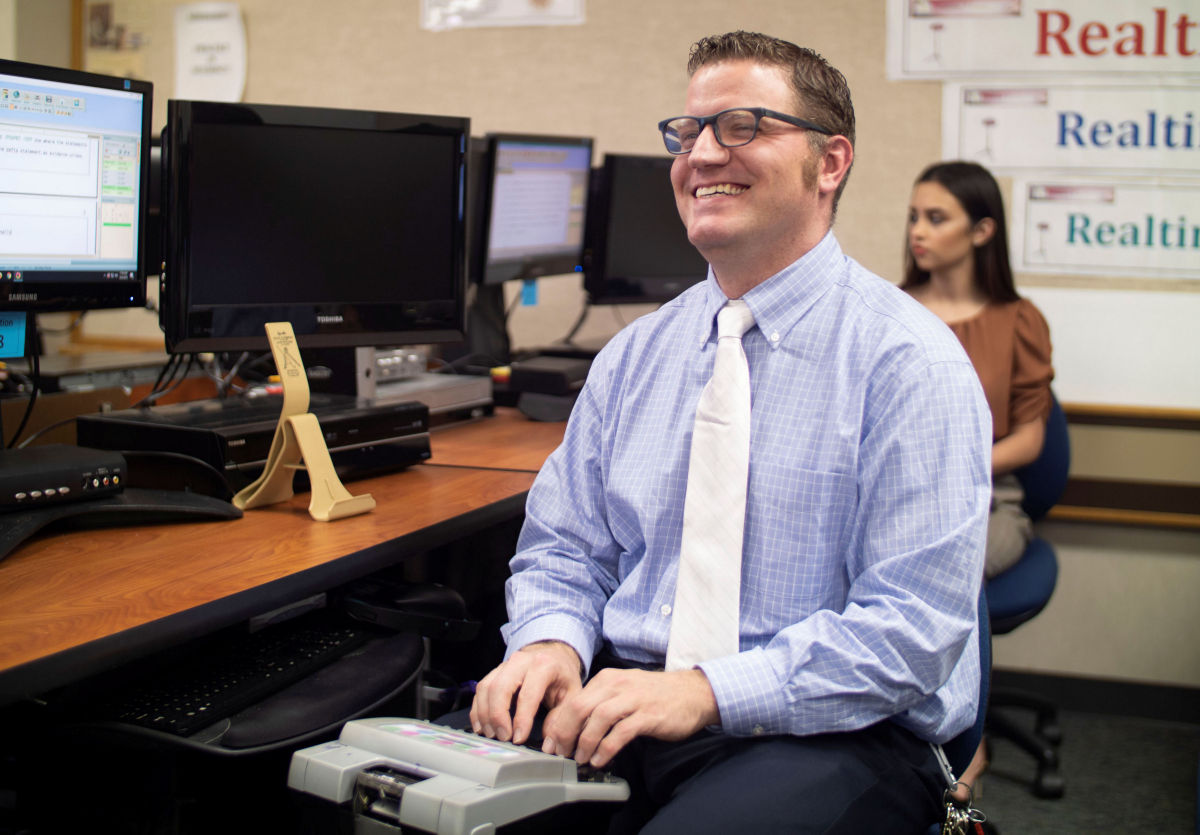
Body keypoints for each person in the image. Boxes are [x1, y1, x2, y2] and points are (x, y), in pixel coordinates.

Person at [469, 31, 993, 833]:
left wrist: (707, 691)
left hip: (837, 728)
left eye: (742, 125)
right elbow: (566, 547)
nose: (702, 154)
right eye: (688, 132)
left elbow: (909, 632)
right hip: (626, 698)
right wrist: (550, 643)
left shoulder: (909, 363)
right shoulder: (635, 355)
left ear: (831, 162)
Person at [903, 159, 1055, 799]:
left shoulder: (1019, 318)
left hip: (995, 504)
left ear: (982, 230)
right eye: (914, 216)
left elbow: (1029, 438)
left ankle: (964, 737)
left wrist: (953, 463)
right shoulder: (892, 310)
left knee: (948, 568)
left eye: (937, 218)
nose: (918, 231)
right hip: (907, 496)